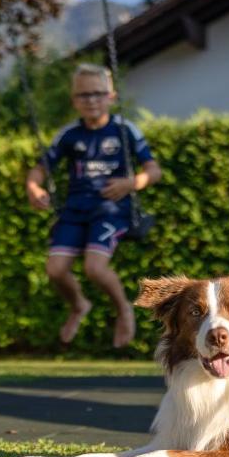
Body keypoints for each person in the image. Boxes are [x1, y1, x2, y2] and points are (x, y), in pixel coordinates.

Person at [25, 64, 162, 348]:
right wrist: (34, 187)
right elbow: (39, 170)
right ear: (74, 100)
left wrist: (131, 183)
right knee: (55, 270)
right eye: (84, 95)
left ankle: (124, 310)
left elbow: (154, 170)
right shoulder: (69, 135)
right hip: (75, 210)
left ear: (111, 96)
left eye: (98, 94)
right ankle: (79, 304)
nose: (91, 100)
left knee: (94, 269)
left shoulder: (125, 130)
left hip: (111, 210)